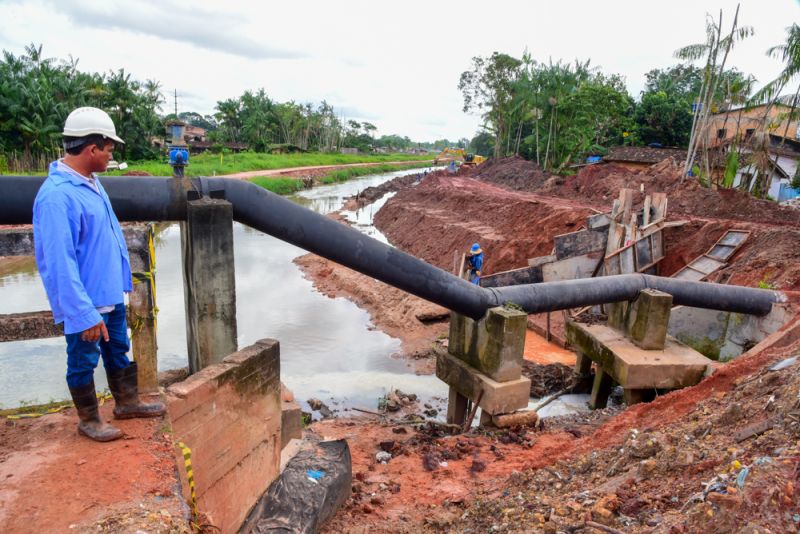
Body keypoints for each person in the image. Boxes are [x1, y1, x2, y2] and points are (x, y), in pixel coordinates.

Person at [33, 107, 165, 442]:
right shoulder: (57, 197)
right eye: (108, 149)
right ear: (92, 149)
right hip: (86, 302)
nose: (110, 155)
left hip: (108, 295)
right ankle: (89, 420)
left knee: (118, 350)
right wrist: (82, 312)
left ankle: (127, 402)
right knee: (82, 360)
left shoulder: (91, 183)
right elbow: (60, 263)